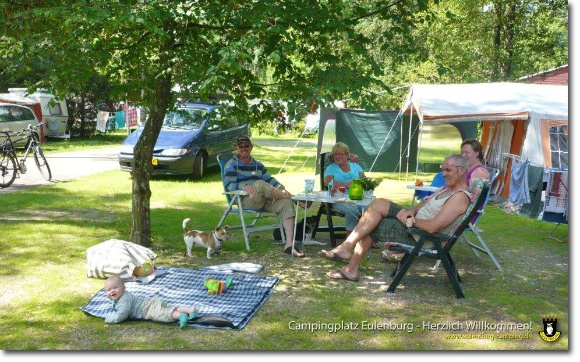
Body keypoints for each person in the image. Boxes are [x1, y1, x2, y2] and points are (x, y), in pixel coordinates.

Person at [321, 154, 471, 281]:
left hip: (420, 236)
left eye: (448, 170)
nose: (443, 174)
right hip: (412, 224)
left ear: (462, 170)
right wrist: (410, 212)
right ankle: (348, 252)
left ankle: (350, 263)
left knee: (373, 223)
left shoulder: (459, 197)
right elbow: (422, 206)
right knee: (378, 204)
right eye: (443, 169)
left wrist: (411, 220)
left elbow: (433, 227)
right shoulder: (446, 190)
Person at [223, 136, 306, 258]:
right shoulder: (231, 164)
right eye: (240, 146)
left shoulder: (258, 165)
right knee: (260, 184)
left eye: (246, 146)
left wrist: (281, 187)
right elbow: (228, 185)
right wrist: (243, 186)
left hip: (263, 199)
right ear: (237, 148)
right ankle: (292, 198)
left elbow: (270, 179)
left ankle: (289, 245)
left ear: (251, 147)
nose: (243, 149)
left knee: (285, 204)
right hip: (246, 200)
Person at [104, 275, 197, 328]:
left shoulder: (124, 299)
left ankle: (181, 316)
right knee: (168, 308)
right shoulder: (120, 297)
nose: (112, 291)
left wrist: (110, 319)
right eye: (108, 290)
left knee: (162, 313)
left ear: (124, 288)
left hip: (147, 309)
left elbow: (122, 314)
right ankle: (189, 310)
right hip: (150, 301)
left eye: (115, 288)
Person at [323, 142, 366, 238]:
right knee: (352, 210)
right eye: (335, 154)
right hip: (339, 198)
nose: (338, 157)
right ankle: (350, 235)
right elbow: (328, 182)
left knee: (370, 208)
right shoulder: (331, 168)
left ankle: (367, 235)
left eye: (341, 154)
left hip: (357, 196)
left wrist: (357, 183)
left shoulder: (355, 166)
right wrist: (346, 184)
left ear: (347, 155)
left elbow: (365, 181)